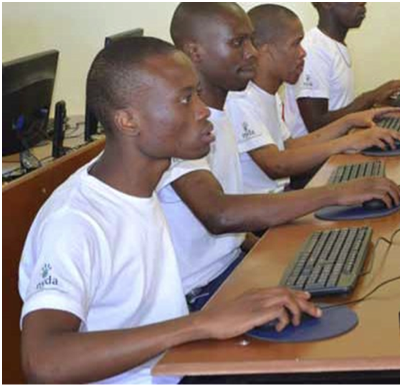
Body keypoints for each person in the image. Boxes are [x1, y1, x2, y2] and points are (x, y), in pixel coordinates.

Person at [18, 37, 320, 384]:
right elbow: (43, 361)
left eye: (197, 94)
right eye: (185, 99)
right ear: (128, 121)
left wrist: (213, 320)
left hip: (178, 366)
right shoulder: (74, 221)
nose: (203, 110)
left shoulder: (144, 183)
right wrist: (201, 322)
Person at [166, 2, 400, 311]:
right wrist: (339, 193)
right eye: (238, 43)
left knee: (362, 274)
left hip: (234, 266)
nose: (253, 53)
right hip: (204, 293)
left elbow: (230, 235)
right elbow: (220, 214)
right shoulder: (184, 128)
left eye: (251, 41)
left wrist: (277, 254)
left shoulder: (220, 115)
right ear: (194, 51)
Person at [225, 3, 400, 195]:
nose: (303, 53)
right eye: (295, 44)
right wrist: (348, 142)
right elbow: (276, 165)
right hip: (264, 213)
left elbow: (288, 146)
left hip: (280, 198)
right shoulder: (240, 100)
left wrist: (350, 121)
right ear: (265, 50)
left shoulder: (268, 96)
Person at [285, 3, 400, 138]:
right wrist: (370, 98)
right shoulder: (313, 50)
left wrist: (376, 103)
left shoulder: (332, 44)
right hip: (320, 156)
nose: (362, 3)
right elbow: (317, 125)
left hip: (341, 144)